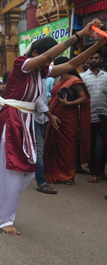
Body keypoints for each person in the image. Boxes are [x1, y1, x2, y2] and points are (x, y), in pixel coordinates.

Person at [0, 20, 105, 235]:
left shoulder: (40, 71)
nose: (48, 63)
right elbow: (48, 58)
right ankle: (6, 220)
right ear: (36, 53)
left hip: (26, 121)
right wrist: (78, 36)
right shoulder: (23, 63)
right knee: (12, 171)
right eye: (45, 56)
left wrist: (96, 46)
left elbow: (69, 66)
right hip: (12, 120)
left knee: (28, 172)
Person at [44, 57, 91, 185]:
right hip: (54, 118)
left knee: (67, 147)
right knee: (56, 146)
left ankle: (68, 176)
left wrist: (68, 103)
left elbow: (83, 98)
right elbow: (53, 98)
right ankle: (56, 173)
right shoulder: (57, 80)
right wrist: (40, 105)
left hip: (69, 120)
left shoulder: (74, 81)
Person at [81, 50, 107, 183]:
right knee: (90, 146)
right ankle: (94, 172)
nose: (93, 60)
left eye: (96, 58)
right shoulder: (83, 77)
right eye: (91, 58)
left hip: (104, 114)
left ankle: (101, 169)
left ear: (101, 60)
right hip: (88, 116)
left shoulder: (106, 76)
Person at [32, 78, 58, 194]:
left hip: (42, 118)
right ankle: (41, 182)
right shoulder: (32, 78)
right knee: (38, 151)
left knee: (38, 150)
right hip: (34, 117)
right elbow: (37, 100)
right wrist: (50, 115)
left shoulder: (44, 78)